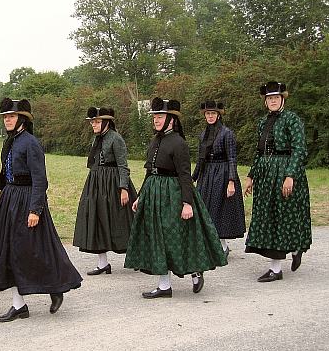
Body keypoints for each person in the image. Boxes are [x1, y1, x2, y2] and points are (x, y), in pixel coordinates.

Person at [0, 98, 82, 322]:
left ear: (22, 118)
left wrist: (35, 210)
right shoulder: (11, 141)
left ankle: (56, 287)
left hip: (27, 200)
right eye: (5, 117)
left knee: (36, 250)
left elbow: (40, 179)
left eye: (11, 117)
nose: (7, 121)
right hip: (10, 199)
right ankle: (19, 305)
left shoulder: (31, 143)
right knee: (9, 250)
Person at [125, 98, 227, 298]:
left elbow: (184, 175)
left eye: (160, 116)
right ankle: (164, 286)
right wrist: (141, 195)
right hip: (154, 193)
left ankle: (196, 271)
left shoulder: (179, 143)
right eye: (154, 117)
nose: (156, 120)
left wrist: (187, 203)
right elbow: (149, 172)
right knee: (158, 238)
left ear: (171, 119)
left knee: (177, 238)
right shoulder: (155, 140)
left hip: (173, 194)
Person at [244, 82, 312, 282]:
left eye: (276, 97)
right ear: (265, 102)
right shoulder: (262, 122)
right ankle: (278, 265)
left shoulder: (292, 119)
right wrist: (251, 176)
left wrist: (290, 175)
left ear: (282, 99)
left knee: (286, 217)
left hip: (285, 171)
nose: (272, 101)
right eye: (269, 98)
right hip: (266, 175)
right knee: (269, 218)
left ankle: (288, 257)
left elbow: (300, 150)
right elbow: (259, 152)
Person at [73, 106, 137, 274]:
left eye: (97, 121)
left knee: (123, 221)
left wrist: (123, 188)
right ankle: (103, 264)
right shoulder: (97, 139)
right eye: (92, 122)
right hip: (96, 183)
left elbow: (123, 165)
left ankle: (139, 257)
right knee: (97, 219)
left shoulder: (116, 139)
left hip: (114, 184)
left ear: (107, 122)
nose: (93, 124)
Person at [192, 101, 246, 257]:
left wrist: (231, 181)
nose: (210, 116)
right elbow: (200, 159)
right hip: (206, 174)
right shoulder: (203, 134)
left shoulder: (226, 133)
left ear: (218, 115)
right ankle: (211, 245)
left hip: (222, 173)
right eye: (208, 114)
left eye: (213, 113)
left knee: (219, 210)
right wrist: (193, 177)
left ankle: (222, 247)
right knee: (205, 209)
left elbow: (232, 159)